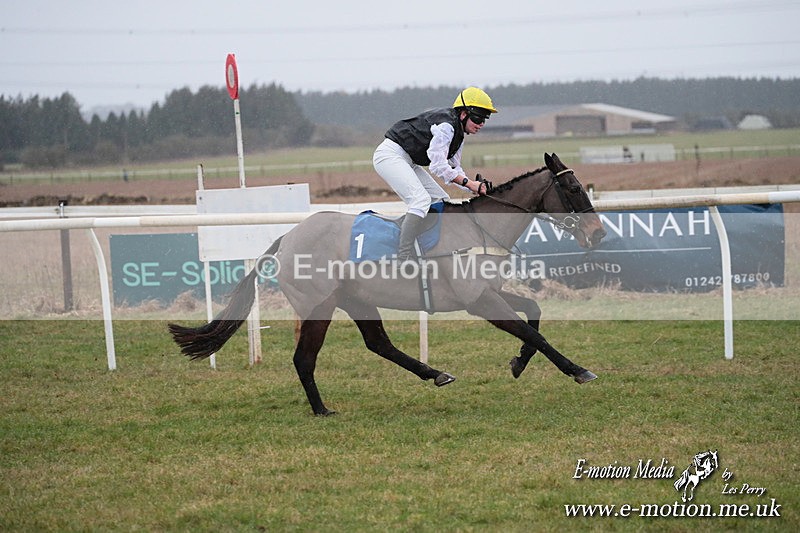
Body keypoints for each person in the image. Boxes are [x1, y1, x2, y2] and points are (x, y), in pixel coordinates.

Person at [373, 86, 498, 260]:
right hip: (389, 156)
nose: (481, 124)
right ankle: (403, 257)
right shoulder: (447, 126)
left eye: (485, 119)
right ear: (463, 114)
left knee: (441, 201)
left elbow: (454, 168)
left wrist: (472, 188)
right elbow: (438, 166)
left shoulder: (459, 133)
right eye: (478, 118)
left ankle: (426, 249)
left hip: (408, 160)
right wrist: (469, 183)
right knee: (421, 201)